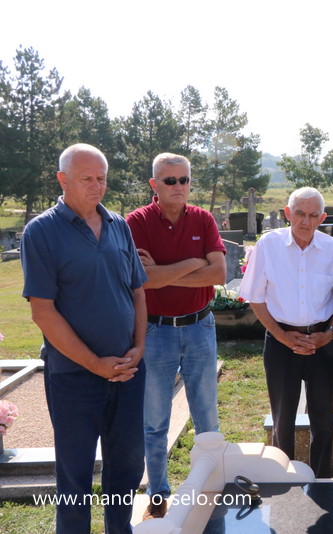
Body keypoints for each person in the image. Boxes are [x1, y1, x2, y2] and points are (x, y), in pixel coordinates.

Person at [20, 144, 147, 533]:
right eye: (87, 179)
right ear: (63, 180)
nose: (97, 186)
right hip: (74, 376)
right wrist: (95, 364)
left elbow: (137, 292)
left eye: (102, 178)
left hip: (127, 371)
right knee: (74, 473)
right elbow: (43, 311)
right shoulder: (41, 232)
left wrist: (138, 349)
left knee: (126, 466)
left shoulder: (118, 225)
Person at [125, 153, 226, 520]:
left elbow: (218, 273)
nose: (179, 187)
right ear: (154, 184)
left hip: (200, 326)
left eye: (184, 180)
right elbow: (142, 280)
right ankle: (157, 493)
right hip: (155, 330)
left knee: (207, 417)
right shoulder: (134, 223)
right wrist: (193, 264)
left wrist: (163, 273)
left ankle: (211, 489)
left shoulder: (203, 218)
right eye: (170, 181)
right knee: (154, 420)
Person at [238, 187, 333, 476]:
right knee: (282, 420)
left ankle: (321, 479)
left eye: (313, 215)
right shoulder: (268, 245)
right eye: (299, 213)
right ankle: (282, 477)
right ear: (287, 214)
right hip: (280, 340)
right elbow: (255, 296)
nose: (305, 221)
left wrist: (328, 335)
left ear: (322, 218)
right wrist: (281, 335)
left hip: (322, 341)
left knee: (323, 420)